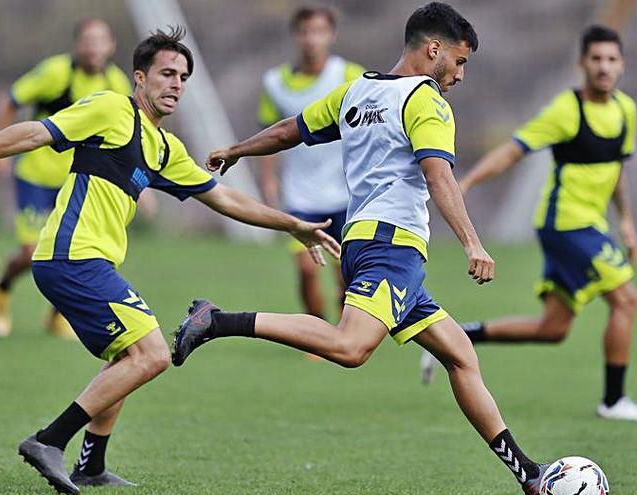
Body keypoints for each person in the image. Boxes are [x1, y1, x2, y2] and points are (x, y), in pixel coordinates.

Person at [0, 27, 339, 495]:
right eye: (167, 73)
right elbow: (35, 132)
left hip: (93, 262)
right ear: (139, 78)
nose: (176, 83)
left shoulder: (165, 149)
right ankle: (49, 441)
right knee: (151, 354)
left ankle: (91, 466)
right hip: (72, 256)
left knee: (127, 356)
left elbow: (227, 200)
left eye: (184, 77)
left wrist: (290, 224)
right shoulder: (112, 109)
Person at [174, 4, 552, 493]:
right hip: (391, 247)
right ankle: (217, 321)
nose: (460, 75)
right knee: (350, 347)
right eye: (459, 62)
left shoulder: (358, 90)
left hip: (368, 242)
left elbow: (293, 128)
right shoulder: (426, 100)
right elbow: (439, 175)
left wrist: (238, 149)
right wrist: (473, 243)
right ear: (433, 48)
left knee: (460, 356)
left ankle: (528, 474)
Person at [422, 25, 637, 422]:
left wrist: (627, 222)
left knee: (553, 328)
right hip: (564, 225)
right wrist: (469, 181)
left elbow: (617, 170)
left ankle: (457, 335)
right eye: (596, 59)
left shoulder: (625, 110)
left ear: (622, 65)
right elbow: (514, 151)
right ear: (582, 63)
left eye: (611, 59)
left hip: (592, 226)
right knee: (626, 298)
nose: (604, 67)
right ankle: (613, 401)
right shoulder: (567, 110)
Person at [0, 18, 135, 339]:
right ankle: (1, 285)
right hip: (36, 175)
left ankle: (56, 317)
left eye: (100, 40)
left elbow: (130, 135)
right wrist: (0, 153)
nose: (93, 46)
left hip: (78, 181)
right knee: (30, 253)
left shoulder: (117, 84)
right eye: (87, 40)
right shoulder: (55, 72)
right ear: (77, 44)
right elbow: (12, 100)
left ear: (111, 46)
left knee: (76, 254)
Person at [258, 6, 365, 322]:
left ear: (331, 35)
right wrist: (269, 181)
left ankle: (344, 333)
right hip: (300, 193)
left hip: (345, 191)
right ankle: (316, 331)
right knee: (306, 268)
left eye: (318, 32)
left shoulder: (350, 76)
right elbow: (271, 133)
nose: (311, 40)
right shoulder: (274, 82)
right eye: (305, 32)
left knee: (346, 272)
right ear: (295, 35)